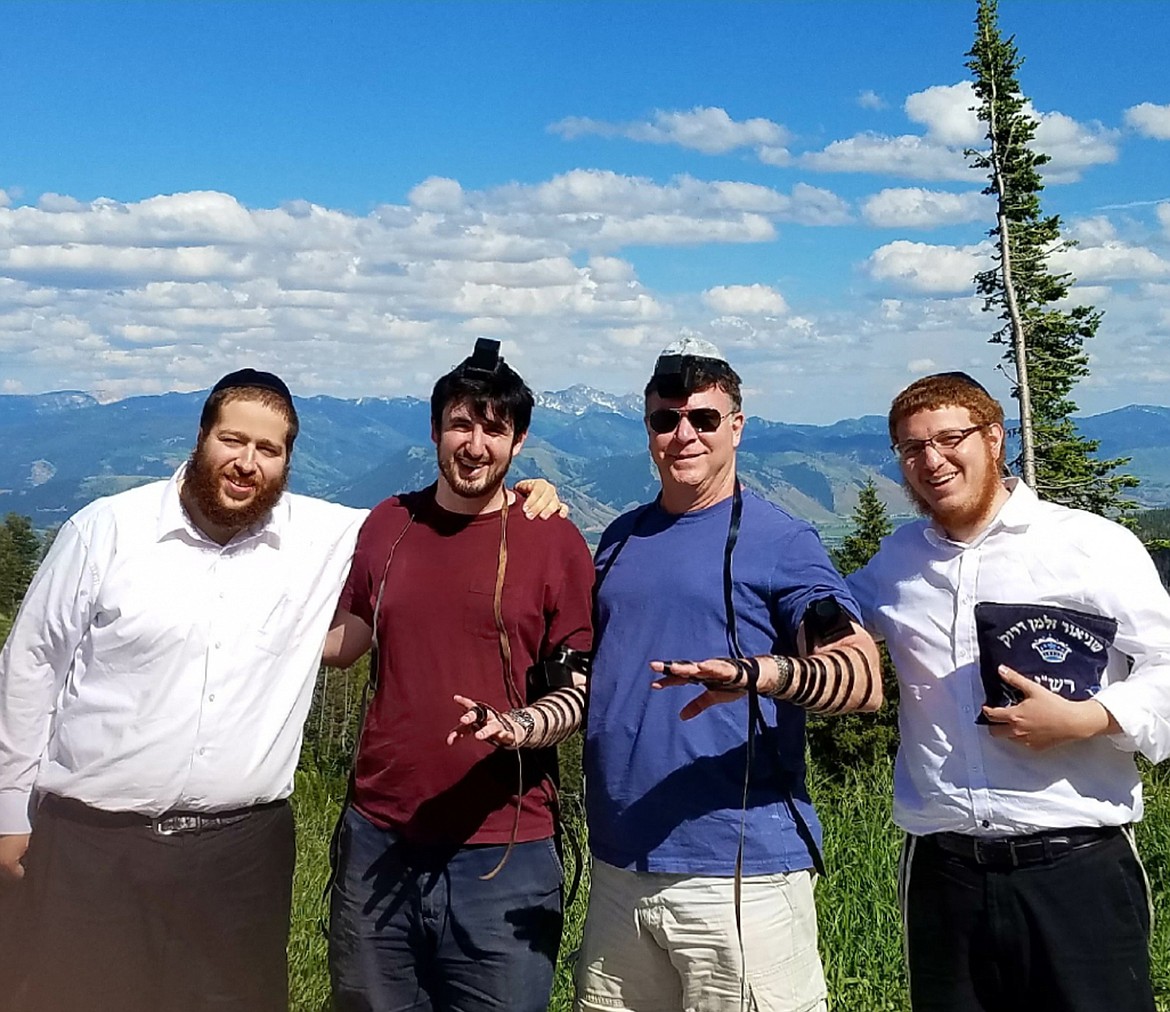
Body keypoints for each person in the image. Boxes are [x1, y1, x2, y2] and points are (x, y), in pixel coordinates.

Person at [0, 366, 563, 1012]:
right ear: (201, 437)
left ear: (289, 459)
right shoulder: (106, 531)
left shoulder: (324, 533)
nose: (246, 463)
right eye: (232, 441)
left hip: (238, 859)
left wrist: (524, 497)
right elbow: (29, 670)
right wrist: (10, 813)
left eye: (268, 449)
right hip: (91, 846)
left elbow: (444, 521)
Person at [574, 337, 882, 1012]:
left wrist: (761, 675)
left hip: (740, 871)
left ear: (737, 426)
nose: (683, 434)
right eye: (665, 419)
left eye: (704, 419)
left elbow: (860, 675)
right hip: (620, 863)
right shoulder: (620, 537)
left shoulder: (783, 540)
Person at [847, 371, 1170, 1012]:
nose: (930, 461)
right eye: (911, 448)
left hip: (1078, 865)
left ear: (994, 438)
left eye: (949, 438)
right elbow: (827, 619)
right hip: (944, 873)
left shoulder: (1089, 546)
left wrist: (1094, 717)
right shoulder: (897, 560)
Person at [322, 339, 595, 1012]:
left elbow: (581, 687)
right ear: (436, 429)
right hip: (378, 839)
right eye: (461, 425)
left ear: (519, 441)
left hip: (505, 850)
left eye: (494, 430)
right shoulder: (389, 523)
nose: (475, 445)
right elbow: (344, 643)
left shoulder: (552, 539)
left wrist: (520, 726)